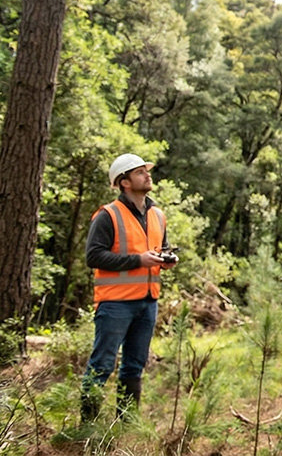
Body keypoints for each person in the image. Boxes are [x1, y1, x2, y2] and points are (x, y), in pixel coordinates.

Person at [81, 153, 177, 423]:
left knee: (134, 366)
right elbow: (94, 257)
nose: (147, 175)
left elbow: (160, 249)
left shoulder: (158, 215)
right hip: (115, 304)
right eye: (139, 172)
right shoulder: (107, 215)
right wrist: (139, 260)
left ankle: (126, 426)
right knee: (101, 366)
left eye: (147, 171)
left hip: (148, 302)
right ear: (124, 182)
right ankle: (87, 429)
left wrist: (167, 259)